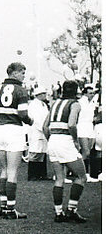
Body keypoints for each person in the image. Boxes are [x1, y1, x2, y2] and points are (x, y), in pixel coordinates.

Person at [0, 62, 32, 219]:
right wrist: (30, 122)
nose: (24, 75)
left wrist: (0, 116)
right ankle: (11, 209)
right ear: (13, 73)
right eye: (22, 72)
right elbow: (23, 114)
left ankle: (4, 206)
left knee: (5, 169)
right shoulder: (21, 90)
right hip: (14, 130)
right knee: (12, 170)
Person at [43, 80, 89, 223]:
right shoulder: (75, 104)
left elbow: (45, 127)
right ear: (76, 91)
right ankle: (71, 210)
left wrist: (51, 139)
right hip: (65, 141)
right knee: (81, 176)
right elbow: (71, 124)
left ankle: (58, 213)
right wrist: (75, 140)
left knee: (59, 178)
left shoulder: (55, 103)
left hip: (53, 141)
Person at [25, 87, 51, 181]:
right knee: (35, 152)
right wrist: (43, 128)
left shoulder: (44, 105)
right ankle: (32, 175)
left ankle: (42, 174)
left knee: (42, 152)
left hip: (43, 131)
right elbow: (36, 119)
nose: (45, 95)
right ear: (39, 95)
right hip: (36, 131)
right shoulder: (33, 105)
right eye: (43, 93)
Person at [77, 84, 98, 182]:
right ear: (85, 94)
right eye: (90, 93)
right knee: (85, 152)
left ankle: (83, 173)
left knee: (88, 152)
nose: (92, 95)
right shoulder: (80, 102)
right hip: (82, 127)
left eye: (93, 93)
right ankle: (82, 173)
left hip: (90, 128)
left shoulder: (93, 103)